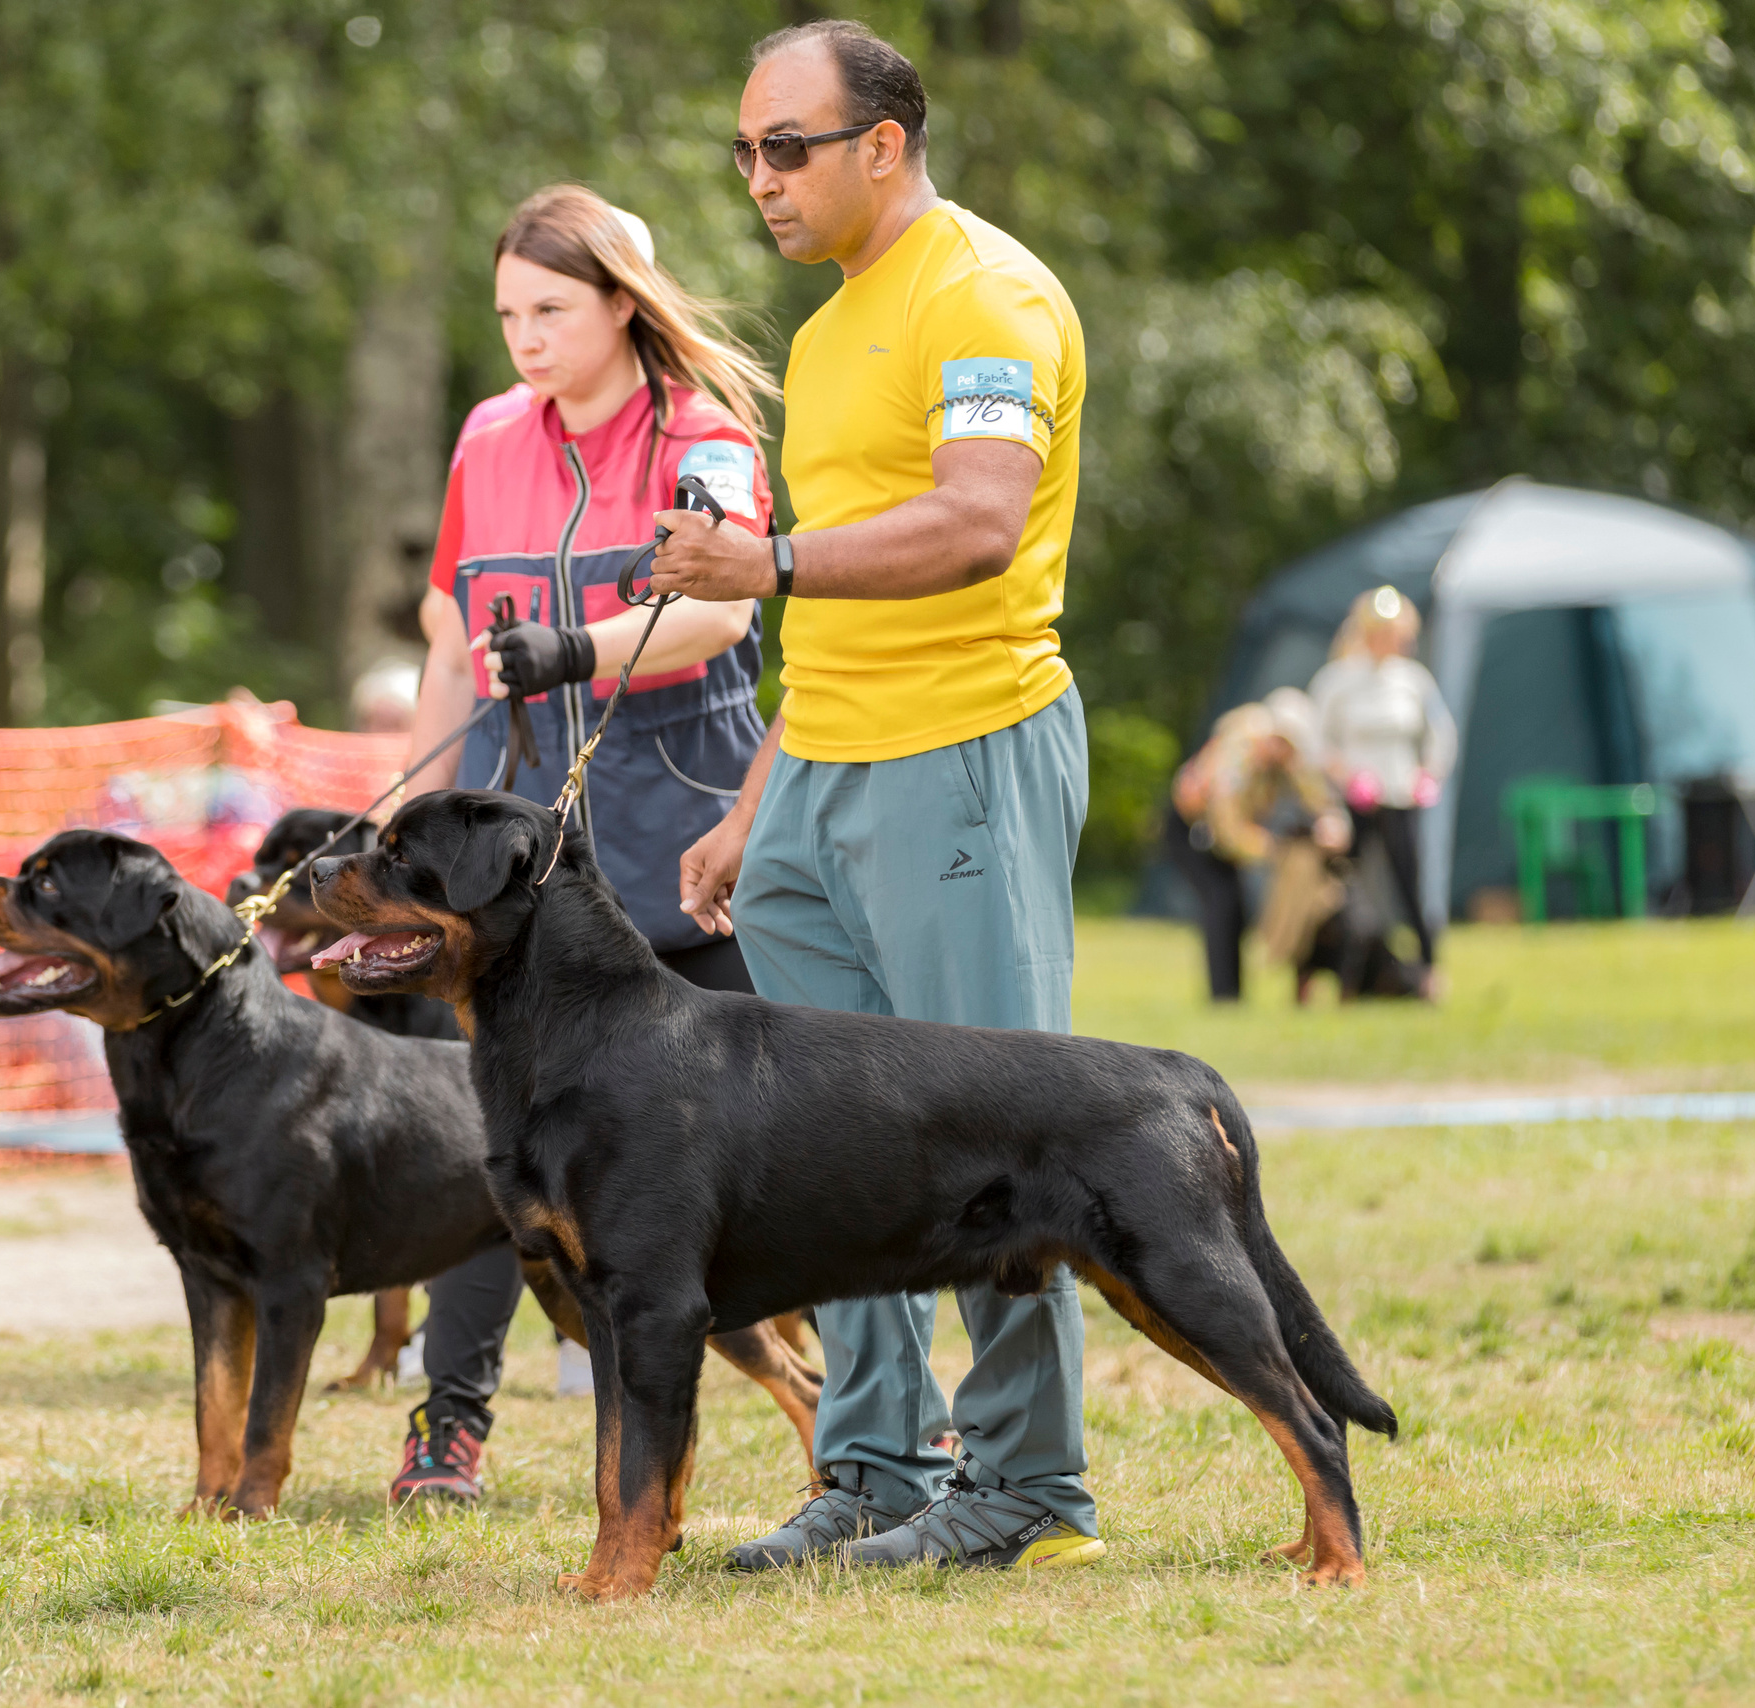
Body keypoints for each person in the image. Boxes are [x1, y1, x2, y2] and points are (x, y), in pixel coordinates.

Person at [658, 20, 1101, 1573]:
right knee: (827, 1151)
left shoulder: (981, 296)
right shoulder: (837, 323)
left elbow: (978, 525)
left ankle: (1032, 1489)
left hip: (963, 755)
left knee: (998, 1134)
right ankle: (879, 1471)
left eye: (787, 148)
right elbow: (835, 601)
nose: (759, 181)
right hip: (820, 778)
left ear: (883, 147)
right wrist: (752, 800)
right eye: (745, 151)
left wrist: (760, 563)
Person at [385, 185, 779, 1505]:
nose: (526, 340)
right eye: (507, 314)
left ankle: (879, 1424)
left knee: (769, 1156)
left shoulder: (705, 437)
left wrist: (576, 648)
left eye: (551, 309)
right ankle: (448, 1429)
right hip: (520, 873)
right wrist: (402, 818)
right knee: (491, 1152)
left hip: (693, 848)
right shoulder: (489, 437)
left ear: (624, 301)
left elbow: (719, 618)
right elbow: (454, 644)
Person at [1309, 585, 1455, 983]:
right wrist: (1344, 776)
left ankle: (1428, 969)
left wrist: (1429, 773)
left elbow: (1440, 734)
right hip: (1354, 800)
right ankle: (1336, 973)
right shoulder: (1338, 679)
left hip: (1400, 796)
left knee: (1409, 883)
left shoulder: (1413, 679)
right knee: (1342, 889)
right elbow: (1317, 740)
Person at [1168, 689, 1350, 1003]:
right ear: (1274, 736)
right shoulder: (1236, 756)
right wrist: (1272, 850)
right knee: (1221, 904)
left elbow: (1314, 793)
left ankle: (1231, 997)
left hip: (1225, 834)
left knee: (1235, 910)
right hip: (1192, 829)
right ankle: (1223, 997)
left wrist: (1331, 818)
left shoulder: (1285, 756)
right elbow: (1227, 830)